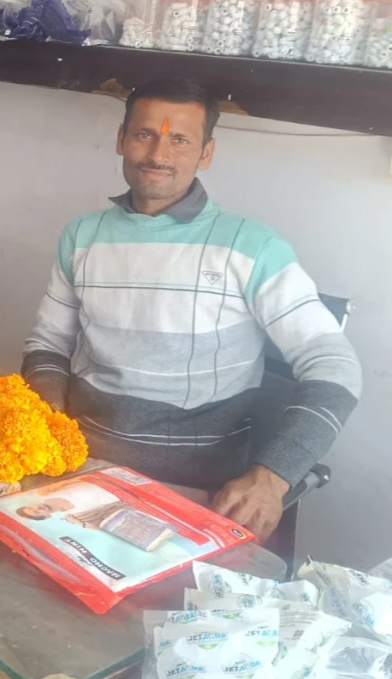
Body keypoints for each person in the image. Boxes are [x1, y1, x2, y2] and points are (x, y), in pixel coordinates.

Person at [22, 77, 361, 542]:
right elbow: (47, 343)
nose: (158, 154)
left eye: (180, 140)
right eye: (145, 134)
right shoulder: (83, 235)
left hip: (195, 494)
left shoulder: (252, 247)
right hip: (77, 472)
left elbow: (335, 366)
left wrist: (273, 476)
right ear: (121, 139)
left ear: (206, 153)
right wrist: (44, 423)